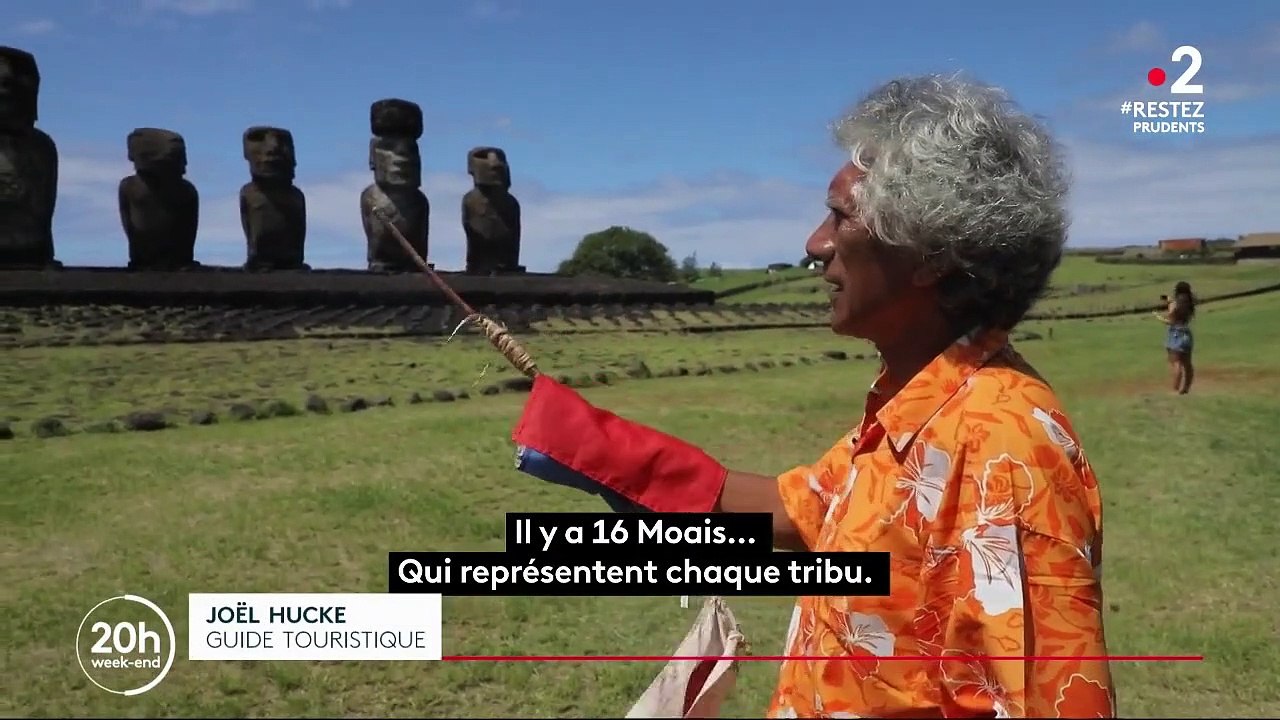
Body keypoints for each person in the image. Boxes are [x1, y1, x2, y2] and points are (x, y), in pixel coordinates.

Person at [512, 74, 1115, 718]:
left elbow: (1045, 702)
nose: (815, 244)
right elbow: (806, 512)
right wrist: (600, 448)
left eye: (841, 217)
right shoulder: (917, 405)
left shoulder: (1004, 445)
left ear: (932, 254)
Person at [1153, 281, 1196, 394]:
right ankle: (1186, 388)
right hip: (1186, 333)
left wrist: (1158, 317)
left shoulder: (1174, 304)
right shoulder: (1189, 304)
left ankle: (1175, 388)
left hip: (1176, 334)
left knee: (1176, 362)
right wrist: (1168, 299)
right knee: (1187, 363)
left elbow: (1170, 320)